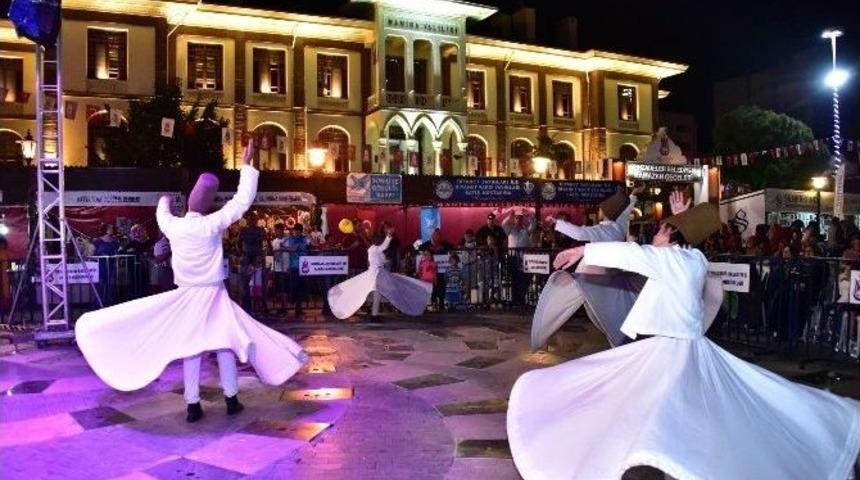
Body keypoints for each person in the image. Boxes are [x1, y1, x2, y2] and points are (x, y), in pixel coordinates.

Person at [507, 203, 860, 480]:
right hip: (684, 347)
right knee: (673, 409)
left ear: (671, 236)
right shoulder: (695, 259)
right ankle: (656, 457)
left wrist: (584, 251)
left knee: (648, 407)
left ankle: (645, 458)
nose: (654, 236)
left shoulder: (671, 260)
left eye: (660, 231)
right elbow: (660, 250)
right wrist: (682, 215)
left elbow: (635, 255)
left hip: (668, 349)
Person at [75, 140, 307, 423]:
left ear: (187, 202)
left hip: (188, 296)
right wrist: (247, 166)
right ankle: (231, 399)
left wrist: (165, 201)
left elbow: (162, 212)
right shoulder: (211, 224)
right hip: (214, 296)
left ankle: (193, 405)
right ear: (208, 204)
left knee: (191, 350)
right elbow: (242, 202)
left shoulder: (174, 224)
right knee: (224, 346)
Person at [531, 184, 648, 349]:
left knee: (562, 301)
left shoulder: (603, 230)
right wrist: (633, 196)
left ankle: (541, 337)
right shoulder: (619, 226)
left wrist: (558, 223)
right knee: (602, 316)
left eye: (601, 209)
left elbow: (580, 233)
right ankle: (621, 344)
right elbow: (625, 212)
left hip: (591, 276)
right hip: (605, 276)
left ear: (604, 212)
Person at [327, 230, 433, 321]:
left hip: (378, 273)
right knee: (377, 293)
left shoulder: (375, 250)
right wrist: (389, 236)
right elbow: (384, 247)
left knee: (380, 293)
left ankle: (373, 312)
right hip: (376, 274)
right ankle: (374, 314)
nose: (381, 241)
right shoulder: (374, 249)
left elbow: (382, 257)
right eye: (380, 239)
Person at [285, 223, 310, 318]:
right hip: (294, 266)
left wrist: (307, 235)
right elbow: (280, 246)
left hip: (304, 267)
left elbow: (314, 243)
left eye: (299, 230)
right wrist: (289, 249)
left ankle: (299, 308)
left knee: (302, 287)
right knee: (294, 287)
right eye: (296, 230)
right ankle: (295, 308)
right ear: (294, 230)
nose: (297, 232)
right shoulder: (289, 239)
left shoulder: (304, 238)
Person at [271, 223, 290, 313]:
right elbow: (275, 253)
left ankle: (285, 307)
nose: (277, 232)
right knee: (278, 288)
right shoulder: (274, 241)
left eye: (278, 230)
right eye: (276, 230)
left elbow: (291, 249)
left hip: (286, 266)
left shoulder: (288, 239)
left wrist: (282, 248)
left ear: (282, 230)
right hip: (277, 267)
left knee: (285, 288)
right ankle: (281, 307)